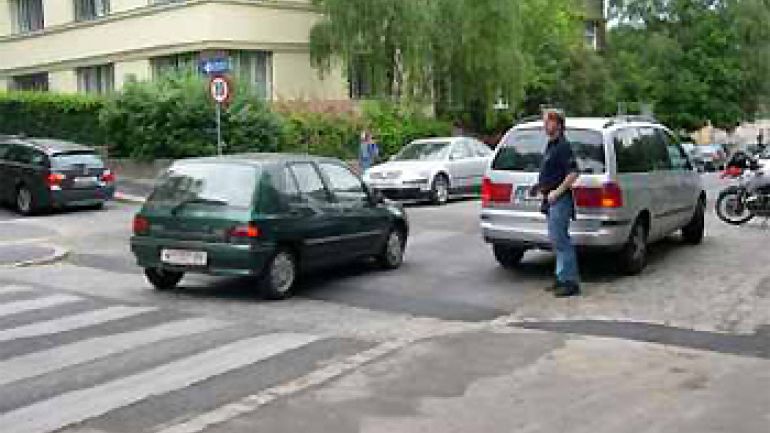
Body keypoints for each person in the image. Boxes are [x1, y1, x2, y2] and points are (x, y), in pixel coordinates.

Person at [531, 110, 581, 297]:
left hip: (560, 201)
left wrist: (556, 192)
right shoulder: (551, 146)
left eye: (548, 122)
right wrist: (540, 187)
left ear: (558, 124)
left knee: (562, 241)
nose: (544, 125)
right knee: (556, 241)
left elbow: (573, 173)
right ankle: (561, 278)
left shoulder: (563, 146)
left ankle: (570, 282)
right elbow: (552, 172)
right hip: (550, 200)